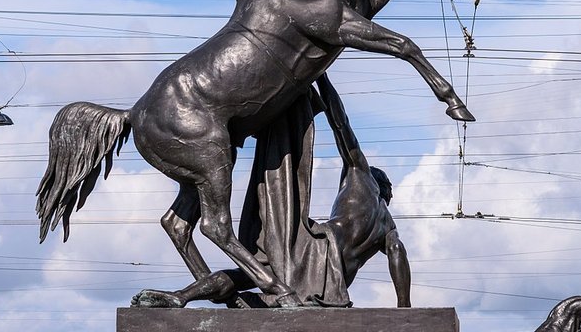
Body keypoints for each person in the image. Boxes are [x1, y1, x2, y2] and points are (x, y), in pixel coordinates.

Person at [131, 74, 411, 308]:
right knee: (255, 277)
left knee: (251, 271)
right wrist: (404, 307)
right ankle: (205, 299)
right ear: (389, 194)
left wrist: (320, 73)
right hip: (331, 283)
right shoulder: (387, 227)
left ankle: (183, 296)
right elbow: (397, 252)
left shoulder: (360, 177)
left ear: (377, 182)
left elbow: (341, 124)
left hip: (317, 250)